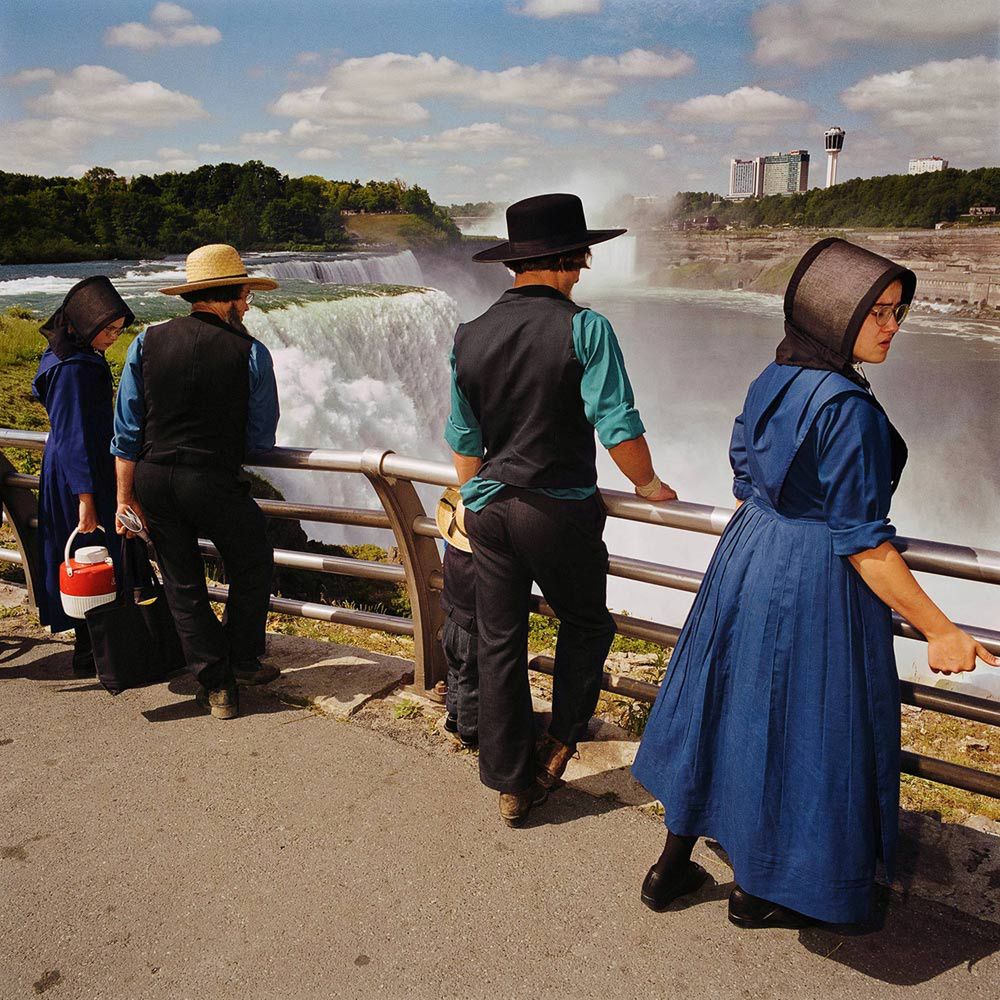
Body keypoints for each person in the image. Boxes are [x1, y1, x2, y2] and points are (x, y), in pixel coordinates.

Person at [631, 238, 998, 928]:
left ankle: (670, 869)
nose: (894, 326)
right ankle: (759, 893)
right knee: (805, 729)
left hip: (748, 555)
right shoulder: (847, 409)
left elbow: (741, 459)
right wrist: (941, 629)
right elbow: (865, 543)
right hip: (811, 579)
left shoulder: (776, 373)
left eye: (899, 310)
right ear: (836, 316)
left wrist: (769, 516)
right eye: (879, 312)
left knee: (723, 708)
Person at [446, 193, 677, 827]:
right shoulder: (585, 328)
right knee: (587, 624)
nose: (583, 271)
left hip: (489, 509)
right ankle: (559, 745)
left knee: (499, 640)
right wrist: (650, 483)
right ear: (564, 258)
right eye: (580, 259)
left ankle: (509, 782)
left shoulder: (469, 335)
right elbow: (616, 422)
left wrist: (472, 500)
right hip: (558, 509)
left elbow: (464, 437)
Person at [111, 244, 281, 720]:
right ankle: (243, 660)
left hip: (154, 480)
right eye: (246, 296)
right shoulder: (250, 351)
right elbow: (260, 436)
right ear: (228, 296)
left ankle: (217, 684)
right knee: (252, 563)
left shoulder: (146, 341)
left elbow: (125, 432)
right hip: (211, 479)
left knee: (182, 582)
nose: (248, 305)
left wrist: (125, 499)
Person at [32, 276, 134, 675]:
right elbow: (73, 433)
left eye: (118, 330)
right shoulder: (72, 368)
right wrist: (86, 498)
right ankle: (93, 651)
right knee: (90, 557)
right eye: (108, 329)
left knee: (89, 558)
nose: (113, 336)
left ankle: (95, 648)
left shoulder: (66, 356)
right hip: (80, 473)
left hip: (78, 467)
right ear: (86, 324)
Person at [435, 488, 479, 749]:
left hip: (449, 616)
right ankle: (470, 733)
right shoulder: (484, 560)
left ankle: (453, 716)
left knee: (455, 670)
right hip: (472, 628)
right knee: (472, 678)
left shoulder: (450, 549)